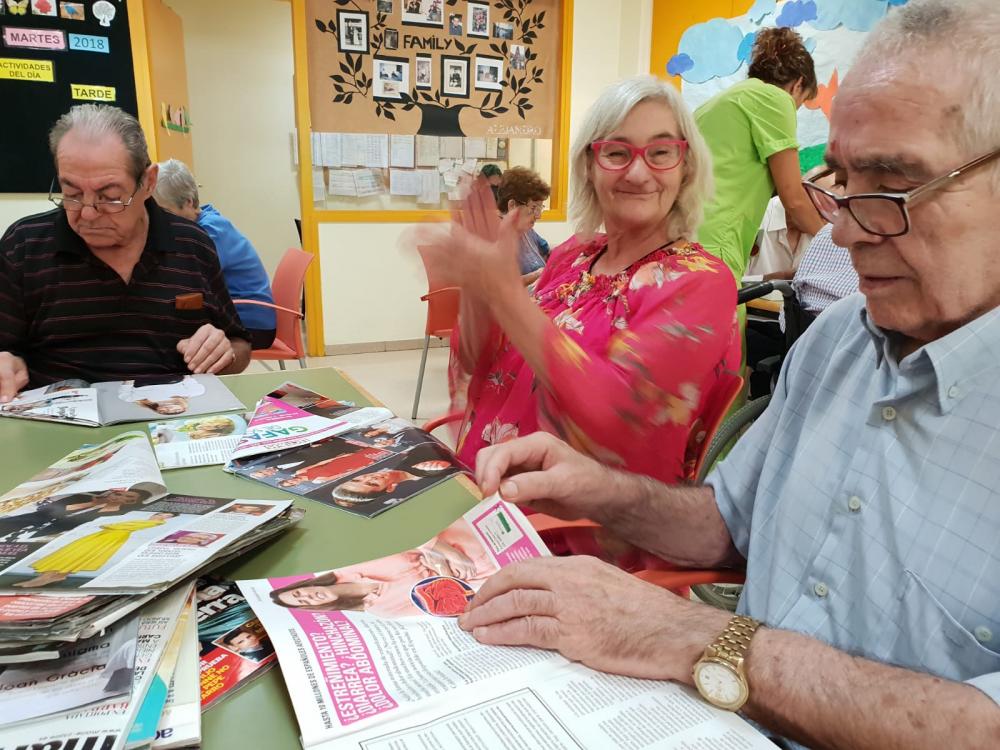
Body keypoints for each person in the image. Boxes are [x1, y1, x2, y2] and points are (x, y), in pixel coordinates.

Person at [456, 3, 1000, 746]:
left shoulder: (696, 277)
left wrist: (692, 638)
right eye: (842, 181)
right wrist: (600, 488)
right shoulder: (838, 339)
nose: (840, 232)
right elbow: (727, 520)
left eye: (891, 186)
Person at [422, 75, 740, 485]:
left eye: (661, 152)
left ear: (687, 167)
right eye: (616, 152)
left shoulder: (700, 282)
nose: (638, 172)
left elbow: (616, 420)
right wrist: (480, 293)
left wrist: (506, 295)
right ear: (589, 166)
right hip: (487, 483)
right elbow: (483, 363)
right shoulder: (573, 256)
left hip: (579, 511)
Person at [0, 105, 250, 401]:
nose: (88, 213)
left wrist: (223, 352)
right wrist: (6, 361)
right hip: (59, 416)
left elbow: (240, 345)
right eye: (72, 195)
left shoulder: (192, 243)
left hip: (173, 415)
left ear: (149, 182)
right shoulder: (24, 246)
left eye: (110, 197)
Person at [695, 27, 824, 283]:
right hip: (717, 243)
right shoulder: (775, 99)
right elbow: (794, 199)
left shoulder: (713, 106)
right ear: (798, 84)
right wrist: (833, 245)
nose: (794, 111)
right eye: (799, 104)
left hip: (681, 240)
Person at [153, 159, 277, 350]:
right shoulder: (202, 222)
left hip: (250, 323)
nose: (159, 219)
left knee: (166, 336)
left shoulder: (211, 231)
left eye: (165, 212)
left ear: (188, 202)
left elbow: (183, 280)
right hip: (233, 313)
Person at [270, 525, 495, 618]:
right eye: (303, 602)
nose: (308, 597)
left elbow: (399, 532)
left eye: (299, 593)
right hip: (485, 570)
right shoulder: (382, 611)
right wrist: (441, 569)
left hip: (465, 533)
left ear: (305, 585)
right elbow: (446, 605)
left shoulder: (346, 564)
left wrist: (447, 554)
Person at [15, 512, 175, 587]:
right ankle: (51, 576)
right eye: (162, 514)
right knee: (70, 552)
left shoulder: (155, 523)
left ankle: (49, 577)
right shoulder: (141, 518)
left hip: (112, 537)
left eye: (167, 517)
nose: (162, 517)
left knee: (80, 555)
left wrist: (111, 526)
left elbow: (118, 526)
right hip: (104, 535)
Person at [0, 486, 153, 542]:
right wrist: (92, 503)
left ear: (134, 503)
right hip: (29, 523)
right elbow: (48, 511)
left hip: (48, 536)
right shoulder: (89, 498)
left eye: (129, 498)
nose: (121, 498)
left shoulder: (119, 516)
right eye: (119, 494)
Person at [494, 166, 552, 285]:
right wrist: (537, 275)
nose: (538, 216)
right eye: (534, 208)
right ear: (512, 205)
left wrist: (571, 251)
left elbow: (547, 251)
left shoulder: (525, 229)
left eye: (540, 208)